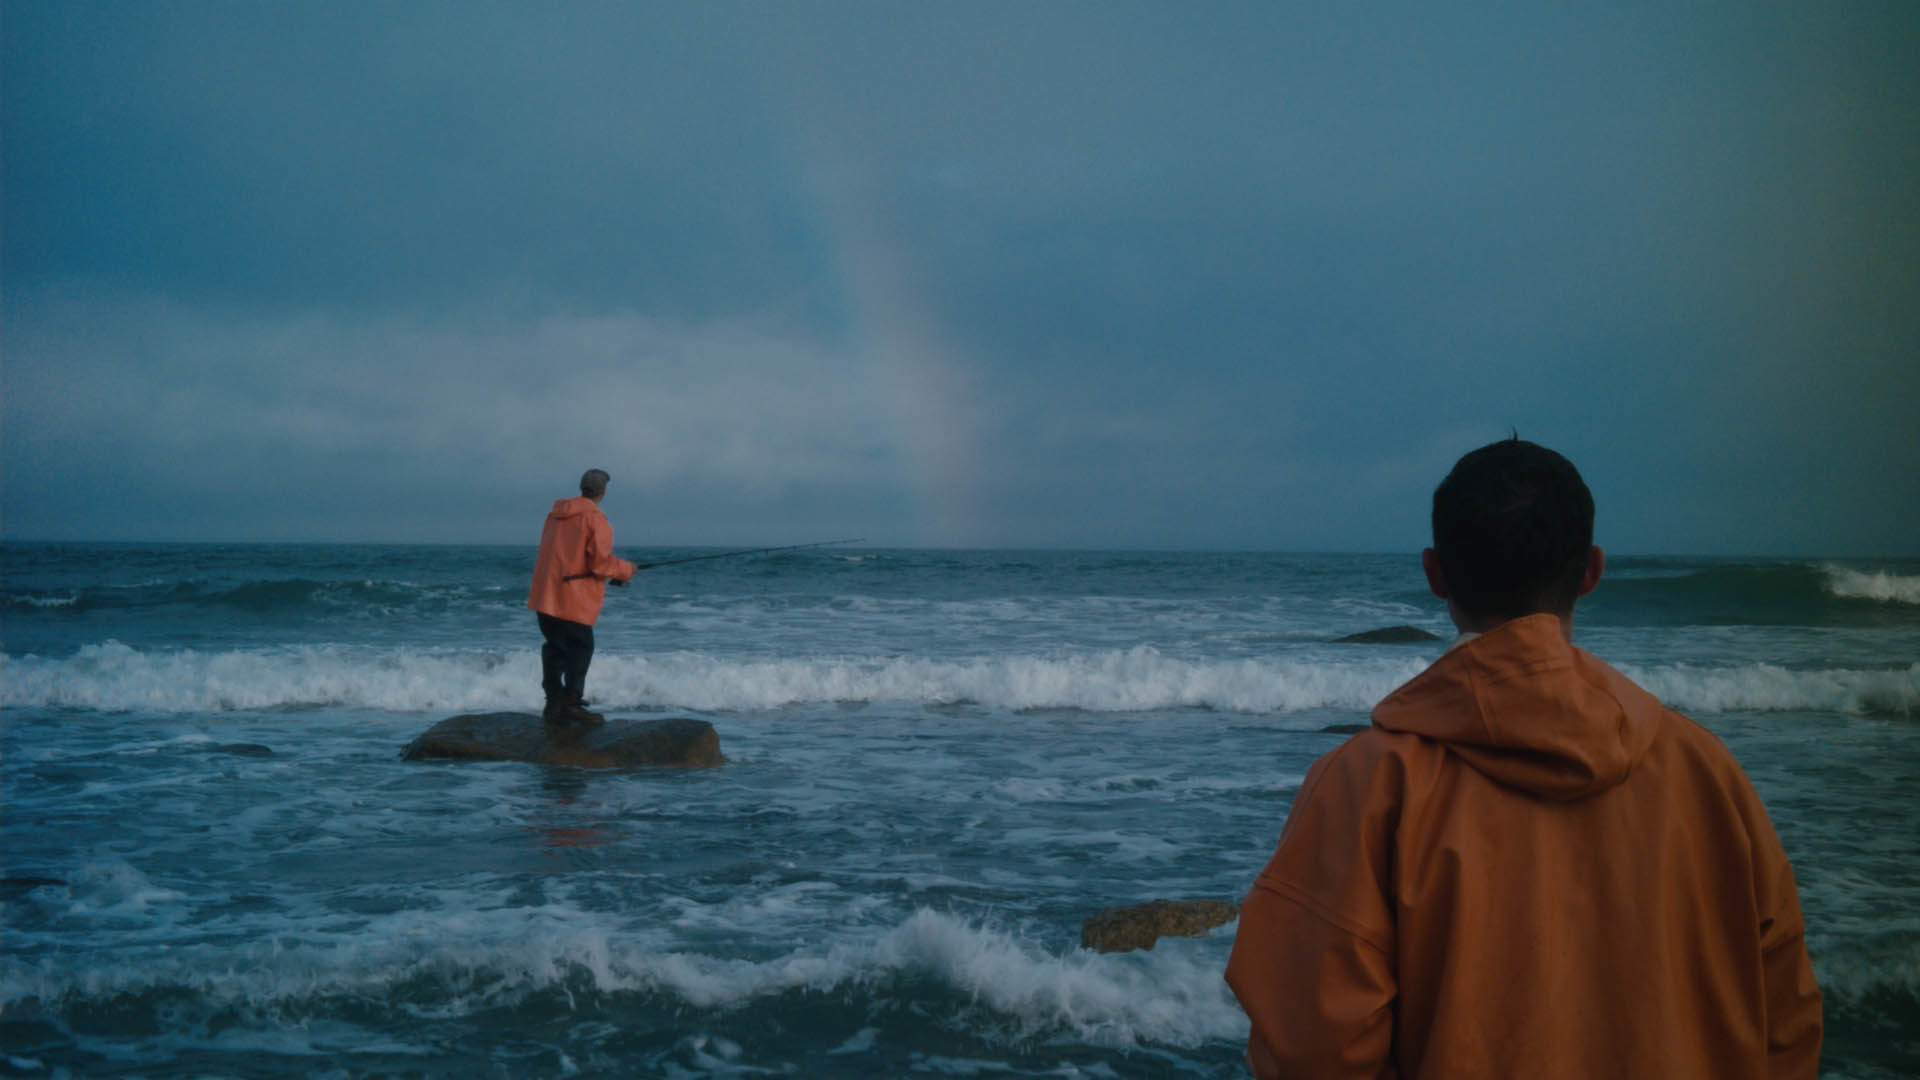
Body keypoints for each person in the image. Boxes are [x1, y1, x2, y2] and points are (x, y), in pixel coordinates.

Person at [1225, 438, 1822, 1078]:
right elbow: (1785, 1026)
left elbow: (1317, 1050)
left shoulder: (1366, 785)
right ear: (1591, 571)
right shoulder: (1710, 775)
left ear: (1435, 574)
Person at [527, 468, 638, 726]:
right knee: (581, 647)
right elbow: (599, 564)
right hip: (572, 598)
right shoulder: (595, 519)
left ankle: (554, 702)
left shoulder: (554, 516)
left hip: (546, 593)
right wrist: (627, 570)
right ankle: (571, 704)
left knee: (555, 647)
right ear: (603, 491)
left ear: (581, 488)